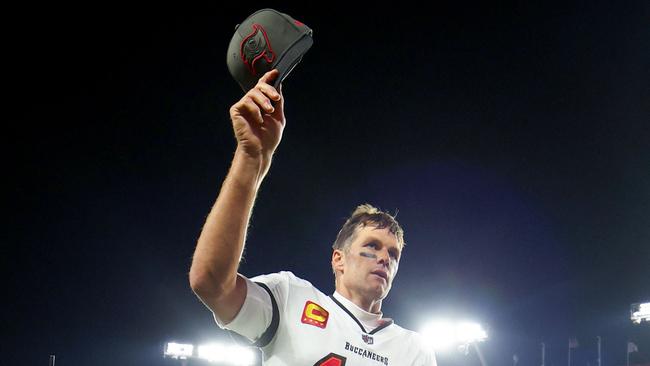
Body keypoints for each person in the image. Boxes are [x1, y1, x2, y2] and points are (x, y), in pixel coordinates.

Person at [189, 69, 436, 366]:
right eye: (371, 246)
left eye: (393, 254)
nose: (385, 258)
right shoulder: (291, 298)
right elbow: (210, 282)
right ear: (338, 259)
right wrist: (251, 157)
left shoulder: (414, 350)